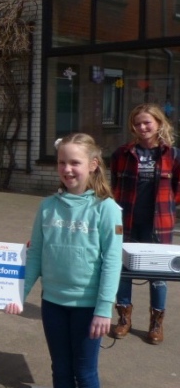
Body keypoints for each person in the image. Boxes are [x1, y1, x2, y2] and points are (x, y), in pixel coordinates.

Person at [5, 133, 122, 388]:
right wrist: (19, 294)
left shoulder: (106, 208)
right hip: (53, 303)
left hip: (87, 307)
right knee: (60, 369)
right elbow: (35, 254)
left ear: (92, 164)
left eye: (74, 163)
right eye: (61, 162)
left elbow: (112, 262)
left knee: (85, 372)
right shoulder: (47, 206)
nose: (67, 169)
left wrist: (104, 309)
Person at [109, 103, 180, 345]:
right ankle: (123, 318)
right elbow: (114, 186)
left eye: (147, 122)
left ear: (158, 123)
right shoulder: (122, 154)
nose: (142, 127)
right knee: (123, 271)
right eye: (137, 123)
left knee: (158, 275)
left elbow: (177, 191)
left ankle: (156, 322)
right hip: (126, 221)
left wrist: (166, 208)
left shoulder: (173, 155)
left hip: (159, 224)